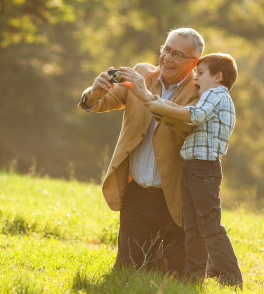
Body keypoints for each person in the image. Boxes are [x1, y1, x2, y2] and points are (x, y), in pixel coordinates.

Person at [78, 28, 204, 275]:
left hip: (173, 199)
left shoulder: (200, 91)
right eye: (166, 50)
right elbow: (101, 102)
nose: (168, 58)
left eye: (178, 54)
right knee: (126, 272)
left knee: (174, 276)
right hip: (135, 196)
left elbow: (184, 126)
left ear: (195, 63)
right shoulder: (141, 73)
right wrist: (95, 92)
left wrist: (146, 96)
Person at [140, 53, 243, 287]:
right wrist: (162, 107)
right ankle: (194, 274)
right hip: (194, 168)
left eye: (200, 73)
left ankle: (231, 277)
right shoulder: (213, 95)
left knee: (209, 224)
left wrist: (161, 106)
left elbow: (195, 116)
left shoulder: (215, 94)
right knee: (193, 225)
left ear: (217, 77)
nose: (195, 78)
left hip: (203, 169)